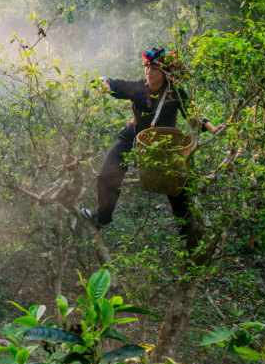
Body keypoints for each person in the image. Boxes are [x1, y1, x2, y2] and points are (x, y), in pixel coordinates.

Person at [80, 48, 225, 242]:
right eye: (147, 67)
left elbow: (193, 114)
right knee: (107, 174)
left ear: (165, 73)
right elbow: (115, 84)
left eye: (154, 68)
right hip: (133, 136)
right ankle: (102, 217)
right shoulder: (137, 87)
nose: (149, 71)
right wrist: (102, 82)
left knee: (176, 181)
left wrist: (213, 129)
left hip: (163, 142)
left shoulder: (175, 92)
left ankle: (185, 227)